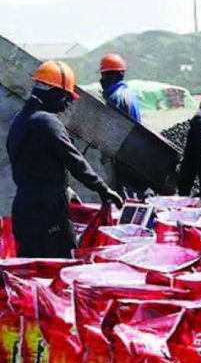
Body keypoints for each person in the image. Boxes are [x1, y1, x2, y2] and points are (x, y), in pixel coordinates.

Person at [6, 61, 123, 258]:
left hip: (23, 208)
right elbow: (74, 160)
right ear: (53, 91)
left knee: (30, 269)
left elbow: (32, 162)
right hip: (48, 210)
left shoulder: (19, 121)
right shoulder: (47, 121)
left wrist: (63, 187)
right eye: (67, 97)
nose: (67, 104)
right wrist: (103, 189)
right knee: (65, 264)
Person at [99, 53, 141, 123]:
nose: (101, 79)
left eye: (104, 75)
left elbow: (110, 126)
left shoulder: (116, 98)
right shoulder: (130, 93)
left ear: (114, 74)